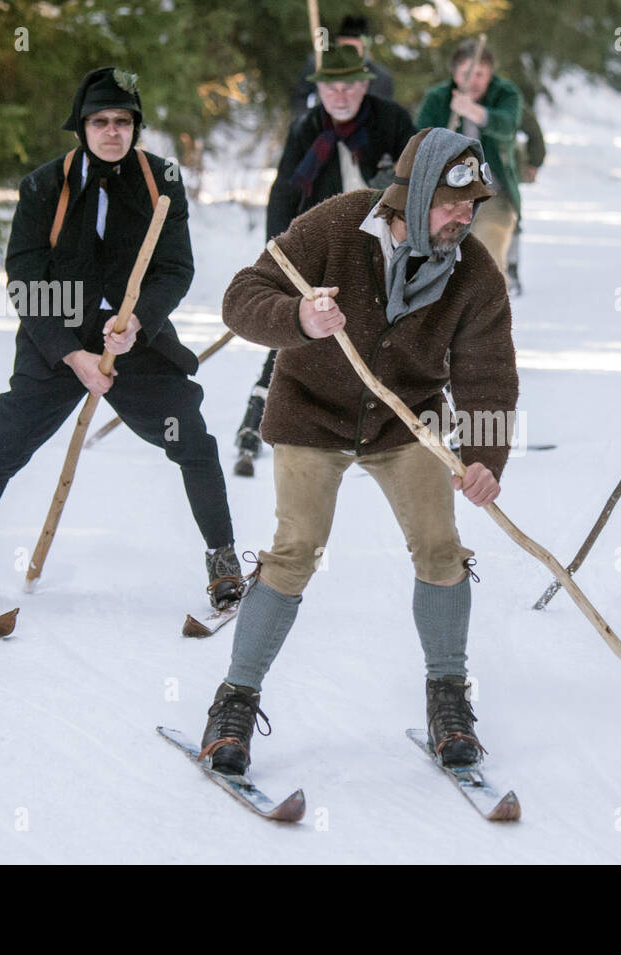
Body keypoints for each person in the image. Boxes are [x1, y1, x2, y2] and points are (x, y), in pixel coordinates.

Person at [199, 128, 519, 775]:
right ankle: (233, 703)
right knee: (297, 550)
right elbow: (241, 299)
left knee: (440, 545)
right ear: (416, 192)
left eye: (473, 203)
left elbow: (487, 372)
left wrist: (486, 458)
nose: (464, 215)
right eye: (452, 201)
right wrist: (299, 318)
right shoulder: (339, 225)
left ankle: (448, 700)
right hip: (312, 414)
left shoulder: (475, 271)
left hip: (407, 424)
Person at [0, 67, 241, 611]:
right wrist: (70, 353)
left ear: (135, 126)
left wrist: (140, 322)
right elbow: (24, 275)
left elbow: (175, 268)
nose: (112, 131)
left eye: (123, 121)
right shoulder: (44, 185)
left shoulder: (163, 180)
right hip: (57, 338)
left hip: (137, 338)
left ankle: (224, 560)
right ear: (81, 127)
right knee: (8, 443)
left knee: (192, 441)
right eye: (100, 121)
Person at [235, 43, 416, 477]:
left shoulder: (391, 121)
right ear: (321, 89)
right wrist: (279, 257)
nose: (341, 94)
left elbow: (417, 183)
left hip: (386, 244)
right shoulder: (306, 129)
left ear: (364, 86)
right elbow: (283, 193)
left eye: (350, 84)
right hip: (323, 248)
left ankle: (425, 425)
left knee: (404, 333)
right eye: (332, 86)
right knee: (299, 329)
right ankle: (254, 420)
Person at [416, 39, 523, 275]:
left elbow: (507, 126)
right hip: (446, 197)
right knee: (442, 265)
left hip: (491, 196)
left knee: (488, 262)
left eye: (480, 75)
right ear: (454, 73)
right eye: (466, 74)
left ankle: (492, 308)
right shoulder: (437, 99)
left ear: (490, 75)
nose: (473, 82)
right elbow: (420, 142)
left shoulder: (505, 94)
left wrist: (475, 112)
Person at [287, 14, 394, 114]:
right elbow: (298, 100)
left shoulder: (380, 78)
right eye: (345, 47)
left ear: (365, 47)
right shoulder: (317, 65)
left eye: (354, 49)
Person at [506, 101, 547, 296]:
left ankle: (511, 267)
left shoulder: (505, 97)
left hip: (504, 169)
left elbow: (533, 130)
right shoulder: (448, 96)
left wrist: (534, 160)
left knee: (510, 214)